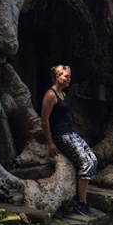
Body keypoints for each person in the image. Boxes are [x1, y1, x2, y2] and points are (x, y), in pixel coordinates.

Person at [41, 65, 98, 217]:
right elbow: (45, 120)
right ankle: (81, 202)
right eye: (66, 76)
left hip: (71, 133)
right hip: (61, 136)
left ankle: (81, 198)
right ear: (57, 77)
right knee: (86, 163)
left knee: (93, 159)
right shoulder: (50, 95)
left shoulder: (63, 94)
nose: (69, 79)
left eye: (69, 76)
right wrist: (51, 142)